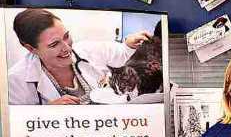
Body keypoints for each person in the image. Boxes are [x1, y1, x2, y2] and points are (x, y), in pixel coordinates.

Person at [7, 8, 151, 105]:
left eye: (66, 36)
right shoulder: (16, 80)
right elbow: (15, 131)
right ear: (31, 48)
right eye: (54, 44)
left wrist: (129, 44)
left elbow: (123, 53)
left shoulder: (85, 50)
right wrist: (46, 114)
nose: (67, 47)